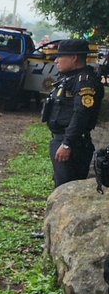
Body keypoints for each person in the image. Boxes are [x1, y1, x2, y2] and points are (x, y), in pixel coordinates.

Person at [44, 39, 103, 187]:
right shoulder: (69, 77)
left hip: (73, 144)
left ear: (74, 58)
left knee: (66, 187)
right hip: (62, 139)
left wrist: (67, 144)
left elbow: (81, 114)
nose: (56, 61)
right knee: (60, 184)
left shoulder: (84, 81)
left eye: (60, 57)